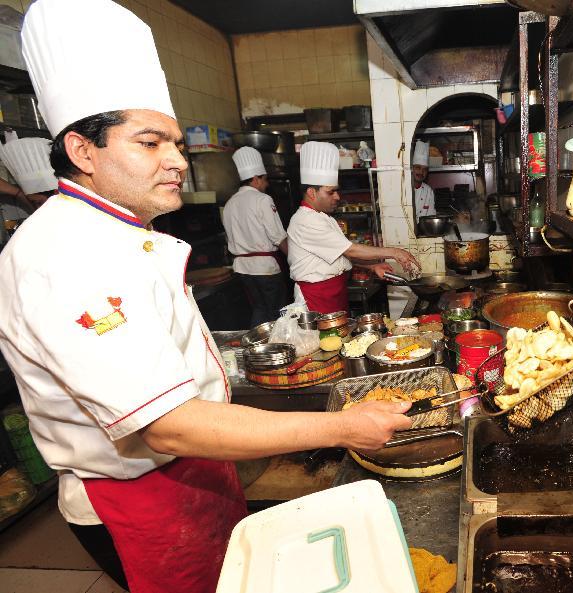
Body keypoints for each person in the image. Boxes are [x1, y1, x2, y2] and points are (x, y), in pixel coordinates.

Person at [0, 2, 412, 592]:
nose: (177, 161)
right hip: (138, 496)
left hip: (193, 472)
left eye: (174, 142)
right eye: (149, 143)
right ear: (83, 151)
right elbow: (168, 427)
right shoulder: (67, 254)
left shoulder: (117, 232)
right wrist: (342, 427)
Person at [287, 141, 420, 314]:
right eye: (330, 192)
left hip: (333, 293)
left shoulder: (323, 217)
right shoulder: (306, 221)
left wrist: (372, 266)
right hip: (315, 298)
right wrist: (394, 252)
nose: (337, 197)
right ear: (312, 193)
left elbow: (340, 253)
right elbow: (351, 250)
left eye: (337, 191)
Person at [222, 146, 288, 326]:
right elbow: (278, 236)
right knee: (277, 315)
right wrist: (294, 260)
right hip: (266, 269)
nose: (266, 184)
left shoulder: (229, 204)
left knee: (259, 309)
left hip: (242, 269)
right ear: (256, 178)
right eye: (265, 179)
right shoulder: (263, 200)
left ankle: (256, 341)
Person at [412, 140, 435, 222]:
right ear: (412, 168)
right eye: (418, 167)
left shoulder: (428, 191)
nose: (421, 172)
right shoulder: (401, 188)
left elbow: (431, 216)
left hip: (423, 229)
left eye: (424, 169)